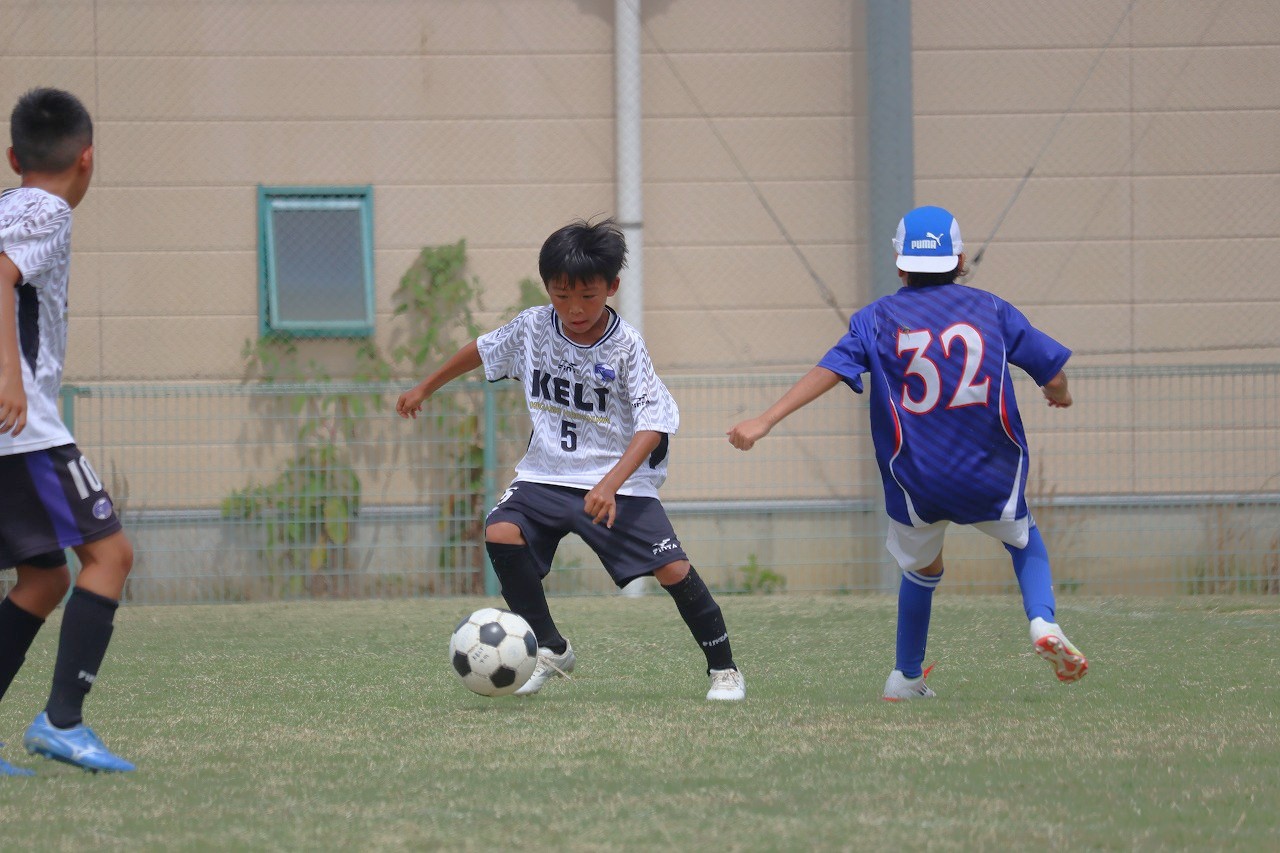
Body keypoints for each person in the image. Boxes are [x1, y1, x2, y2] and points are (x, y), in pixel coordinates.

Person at [727, 205, 1087, 700]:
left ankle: (906, 677)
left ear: (900, 265)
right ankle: (1042, 621)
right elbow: (1053, 372)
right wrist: (1059, 393)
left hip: (918, 477)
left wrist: (765, 420)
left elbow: (829, 370)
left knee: (922, 569)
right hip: (989, 470)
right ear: (959, 260)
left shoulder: (875, 319)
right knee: (1024, 541)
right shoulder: (992, 310)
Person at [397, 218, 745, 701]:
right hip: (546, 473)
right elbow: (480, 349)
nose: (574, 308)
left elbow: (653, 426)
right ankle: (551, 647)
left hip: (618, 481)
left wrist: (609, 484)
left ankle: (724, 670)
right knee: (501, 531)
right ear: (548, 289)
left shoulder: (627, 346)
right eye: (561, 295)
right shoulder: (533, 326)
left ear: (612, 287)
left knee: (672, 569)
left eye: (587, 295)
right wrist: (424, 387)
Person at [0, 88, 136, 773]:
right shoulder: (48, 209)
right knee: (110, 557)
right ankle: (62, 720)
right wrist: (9, 376)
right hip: (24, 428)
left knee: (43, 578)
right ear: (87, 159)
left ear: (13, 156)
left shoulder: (6, 205)